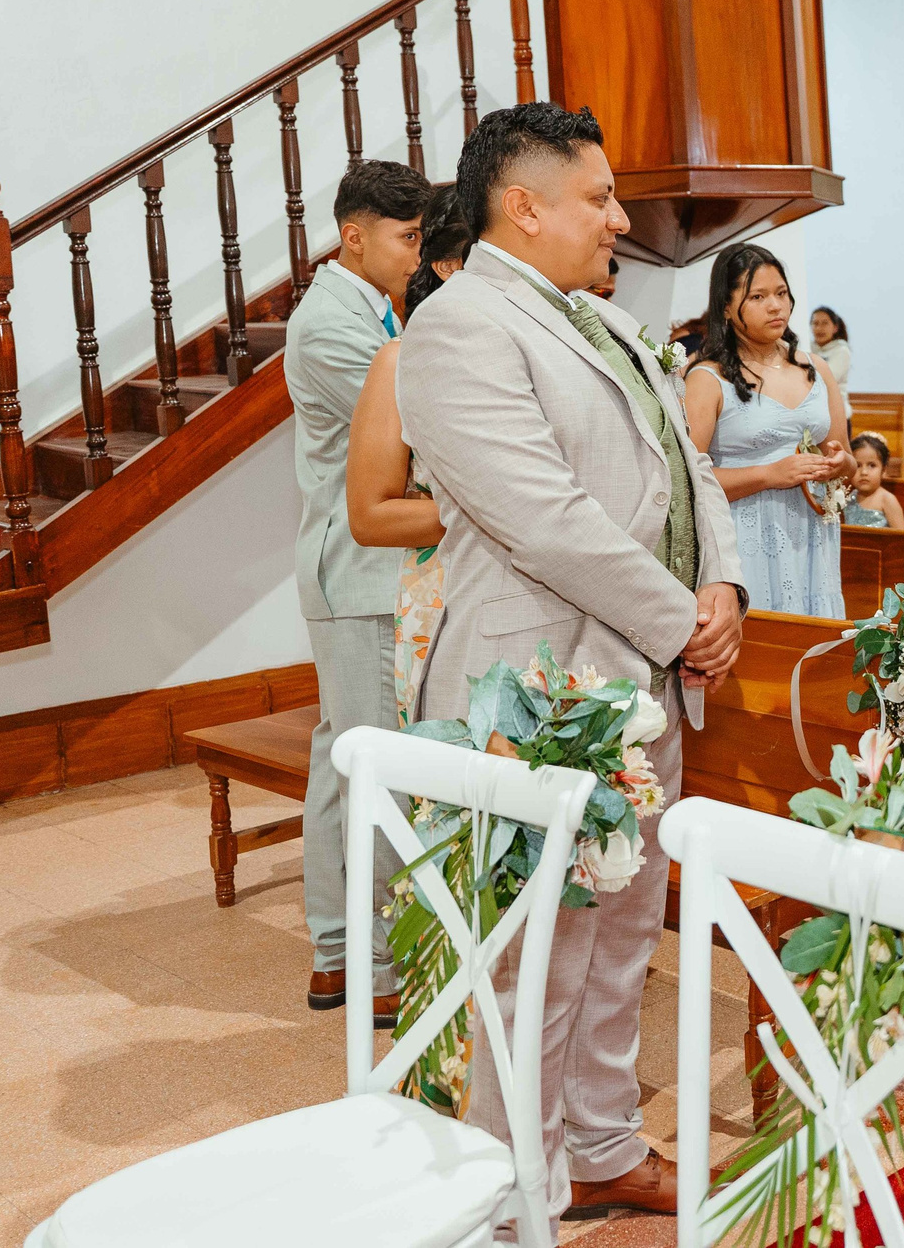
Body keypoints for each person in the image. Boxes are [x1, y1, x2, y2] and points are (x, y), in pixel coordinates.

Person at [398, 103, 744, 1216]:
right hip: (536, 683)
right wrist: (678, 618)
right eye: (597, 197)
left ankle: (598, 1142)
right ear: (525, 205)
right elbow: (538, 515)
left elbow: (688, 469)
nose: (619, 216)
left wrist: (723, 586)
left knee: (626, 928)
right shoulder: (460, 327)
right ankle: (513, 1184)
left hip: (634, 684)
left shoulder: (606, 322)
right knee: (534, 951)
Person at [285, 157, 431, 1026]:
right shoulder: (327, 327)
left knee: (342, 762)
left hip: (369, 571)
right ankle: (375, 964)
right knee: (369, 769)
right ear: (355, 235)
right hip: (360, 570)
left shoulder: (373, 306)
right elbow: (411, 433)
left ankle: (338, 949)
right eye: (406, 238)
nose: (415, 255)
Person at [345, 185, 474, 730]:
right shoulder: (401, 361)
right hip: (447, 589)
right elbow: (371, 516)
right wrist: (499, 514)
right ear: (446, 265)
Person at [684, 244, 851, 618]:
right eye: (757, 297)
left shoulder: (816, 369)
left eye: (781, 293)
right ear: (726, 307)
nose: (776, 306)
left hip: (812, 534)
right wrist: (768, 474)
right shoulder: (708, 379)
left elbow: (846, 459)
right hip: (743, 536)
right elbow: (686, 480)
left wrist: (839, 464)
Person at [841, 433, 904, 529]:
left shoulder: (887, 500)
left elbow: (900, 536)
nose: (864, 472)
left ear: (883, 469)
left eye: (872, 465)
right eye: (858, 465)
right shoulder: (849, 497)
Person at [809, 306, 853, 387]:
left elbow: (827, 379)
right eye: (815, 323)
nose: (819, 328)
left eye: (825, 323)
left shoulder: (841, 350)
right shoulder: (806, 348)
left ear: (835, 328)